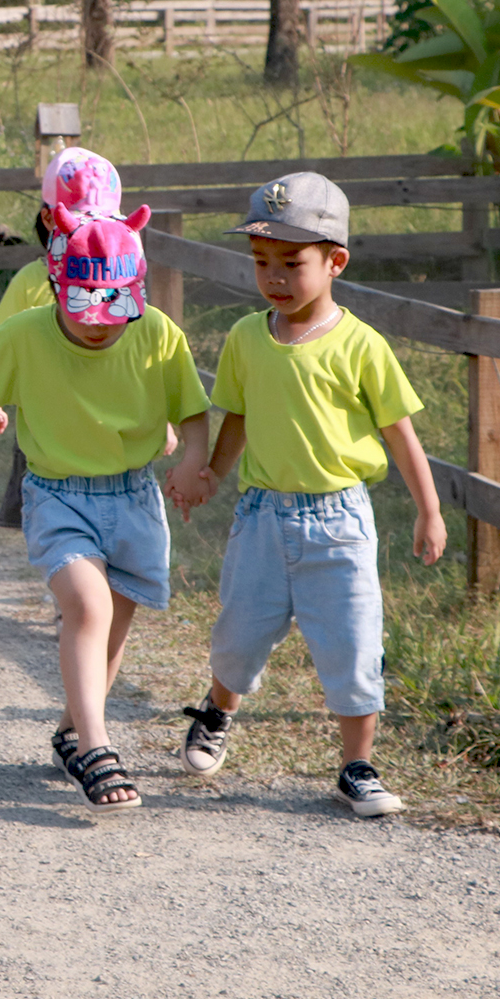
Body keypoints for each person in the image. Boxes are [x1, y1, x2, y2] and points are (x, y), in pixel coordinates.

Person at [174, 172, 445, 817]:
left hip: (339, 520)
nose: (274, 276)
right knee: (239, 635)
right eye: (261, 261)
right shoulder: (246, 337)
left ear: (335, 262)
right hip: (263, 517)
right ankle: (218, 708)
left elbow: (400, 433)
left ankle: (357, 765)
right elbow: (236, 415)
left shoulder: (360, 345)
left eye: (292, 263)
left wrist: (430, 511)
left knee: (353, 644)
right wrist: (212, 468)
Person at [0, 203, 211, 814]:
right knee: (88, 606)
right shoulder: (28, 332)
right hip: (58, 494)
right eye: (84, 308)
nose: (99, 326)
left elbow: (190, 407)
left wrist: (192, 457)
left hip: (134, 495)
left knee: (110, 629)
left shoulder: (157, 332)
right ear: (56, 286)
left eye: (114, 312)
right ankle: (99, 748)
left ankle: (72, 732)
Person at [0, 147, 122, 529]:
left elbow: (139, 347)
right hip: (43, 431)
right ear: (48, 217)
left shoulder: (118, 280)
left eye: (102, 220)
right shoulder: (31, 280)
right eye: (78, 219)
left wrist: (159, 416)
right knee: (45, 522)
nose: (89, 230)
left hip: (108, 424)